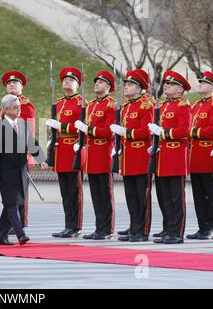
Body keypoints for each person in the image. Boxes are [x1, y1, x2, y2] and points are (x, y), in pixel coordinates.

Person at [0, 94, 47, 245]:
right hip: (5, 172)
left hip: (21, 171)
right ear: (6, 109)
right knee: (12, 204)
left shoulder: (22, 124)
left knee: (15, 204)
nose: (19, 109)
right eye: (15, 107)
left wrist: (42, 160)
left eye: (19, 106)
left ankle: (1, 235)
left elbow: (32, 144)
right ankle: (21, 234)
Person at [110, 69, 154, 242]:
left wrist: (126, 132)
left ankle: (142, 231)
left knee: (142, 196)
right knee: (131, 196)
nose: (126, 87)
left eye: (130, 84)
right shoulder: (127, 106)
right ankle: (134, 226)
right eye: (126, 84)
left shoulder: (146, 104)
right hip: (128, 158)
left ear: (139, 88)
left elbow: (146, 131)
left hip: (141, 156)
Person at [148, 70, 191, 244]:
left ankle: (177, 232)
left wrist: (163, 133)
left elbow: (184, 131)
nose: (166, 85)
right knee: (164, 196)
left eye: (171, 84)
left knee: (175, 197)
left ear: (180, 89)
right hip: (162, 157)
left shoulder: (183, 106)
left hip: (175, 157)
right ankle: (168, 228)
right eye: (165, 83)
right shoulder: (164, 106)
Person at [74, 70, 116, 240]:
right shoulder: (91, 105)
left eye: (101, 82)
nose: (97, 84)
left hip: (103, 154)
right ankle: (99, 227)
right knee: (96, 195)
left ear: (108, 86)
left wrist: (88, 130)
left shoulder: (111, 105)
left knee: (105, 194)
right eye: (96, 81)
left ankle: (107, 229)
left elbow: (109, 132)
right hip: (91, 156)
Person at [45, 67, 84, 238]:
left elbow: (80, 127)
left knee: (74, 191)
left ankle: (75, 226)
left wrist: (60, 127)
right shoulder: (59, 103)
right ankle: (68, 224)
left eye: (71, 80)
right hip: (61, 151)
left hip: (73, 150)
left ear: (77, 84)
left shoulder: (81, 103)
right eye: (65, 79)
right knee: (65, 192)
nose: (67, 81)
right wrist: (52, 139)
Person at [0, 71, 35, 230]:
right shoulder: (4, 105)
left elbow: (28, 131)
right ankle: (12, 222)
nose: (11, 85)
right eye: (9, 83)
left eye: (15, 83)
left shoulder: (25, 105)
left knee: (19, 192)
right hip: (5, 156)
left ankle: (20, 222)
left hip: (19, 155)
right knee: (9, 192)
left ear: (22, 86)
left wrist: (27, 153)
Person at [186, 71, 213, 240]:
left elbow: (212, 131)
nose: (200, 84)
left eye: (204, 82)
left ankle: (211, 226)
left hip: (208, 155)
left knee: (210, 193)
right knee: (198, 194)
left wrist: (191, 132)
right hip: (195, 157)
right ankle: (201, 226)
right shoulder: (196, 106)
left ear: (212, 86)